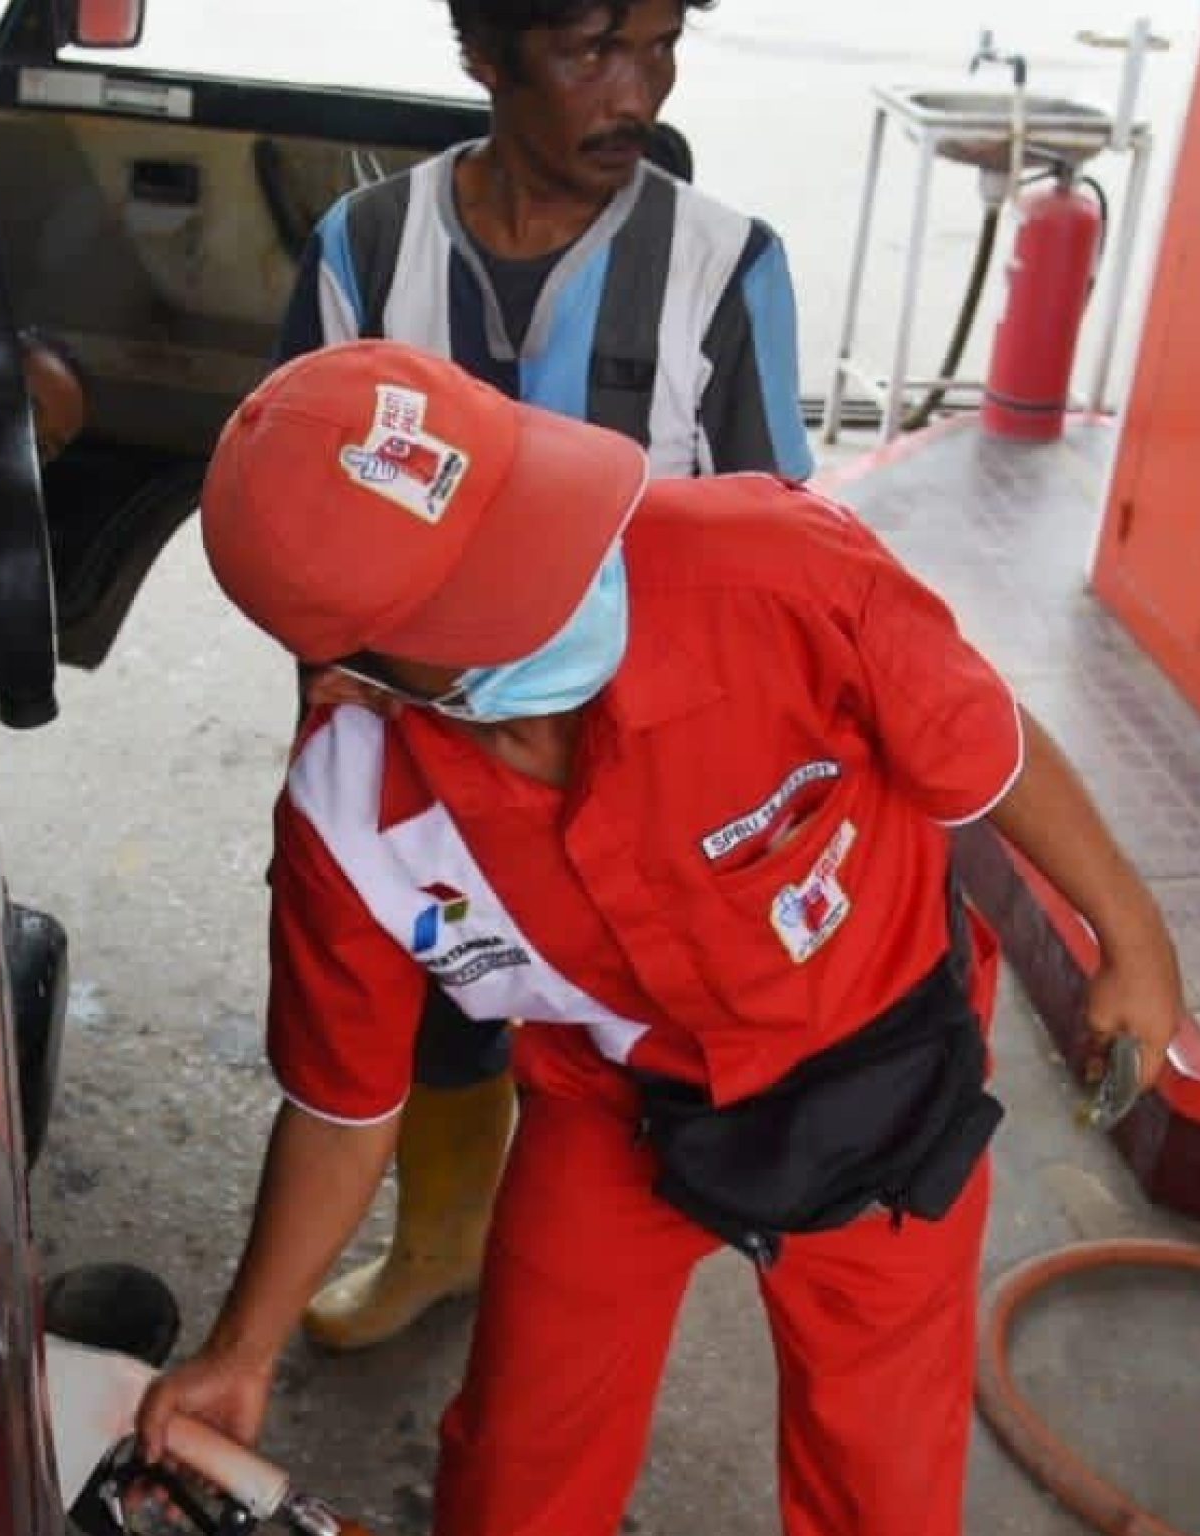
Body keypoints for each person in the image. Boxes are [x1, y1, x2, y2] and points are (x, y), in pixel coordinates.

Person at [139, 343, 1185, 1536]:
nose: (564, 581)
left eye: (525, 521)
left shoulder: (769, 566)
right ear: (364, 669)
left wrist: (1133, 936)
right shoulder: (354, 816)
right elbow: (340, 1107)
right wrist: (241, 1349)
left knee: (881, 1446)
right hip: (614, 1102)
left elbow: (981, 748)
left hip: (877, 1071)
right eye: (486, 590)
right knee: (527, 1421)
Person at [272, 0, 816, 1352]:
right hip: (428, 752)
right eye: (591, 54)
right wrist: (330, 751)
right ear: (484, 57)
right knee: (437, 1010)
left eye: (660, 47)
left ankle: (586, 1277)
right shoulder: (365, 251)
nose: (638, 93)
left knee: (621, 1032)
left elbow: (778, 560)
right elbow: (300, 521)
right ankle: (442, 1244)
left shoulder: (727, 267)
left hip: (641, 766)